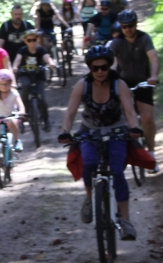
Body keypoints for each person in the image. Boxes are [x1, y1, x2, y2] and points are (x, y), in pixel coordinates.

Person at [58, 45, 141, 239]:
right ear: (90, 68)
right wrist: (65, 131)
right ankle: (89, 198)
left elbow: (130, 111)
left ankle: (126, 220)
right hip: (89, 130)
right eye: (95, 68)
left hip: (116, 129)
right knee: (89, 163)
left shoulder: (119, 84)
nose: (100, 71)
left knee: (118, 171)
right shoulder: (83, 85)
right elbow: (70, 113)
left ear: (110, 66)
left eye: (104, 67)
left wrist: (134, 128)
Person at [110, 9, 160, 156]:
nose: (128, 29)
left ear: (136, 24)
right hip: (123, 83)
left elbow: (154, 59)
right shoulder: (116, 42)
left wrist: (154, 76)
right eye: (124, 26)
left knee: (147, 118)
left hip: (143, 82)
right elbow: (110, 63)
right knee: (123, 118)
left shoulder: (144, 39)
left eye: (130, 25)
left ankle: (151, 153)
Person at [13, 29, 56, 129]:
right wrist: (15, 67)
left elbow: (47, 57)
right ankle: (23, 115)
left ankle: (46, 120)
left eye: (34, 40)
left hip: (39, 76)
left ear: (37, 40)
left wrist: (51, 63)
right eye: (29, 40)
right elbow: (18, 59)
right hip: (26, 74)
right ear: (25, 41)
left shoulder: (40, 50)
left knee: (42, 98)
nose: (32, 42)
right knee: (25, 88)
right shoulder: (22, 50)